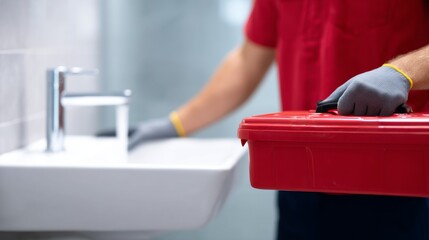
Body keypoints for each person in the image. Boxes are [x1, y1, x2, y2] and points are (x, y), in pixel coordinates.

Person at [127, 1, 429, 239]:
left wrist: (402, 72)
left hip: (397, 186)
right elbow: (247, 61)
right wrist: (176, 124)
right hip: (300, 185)